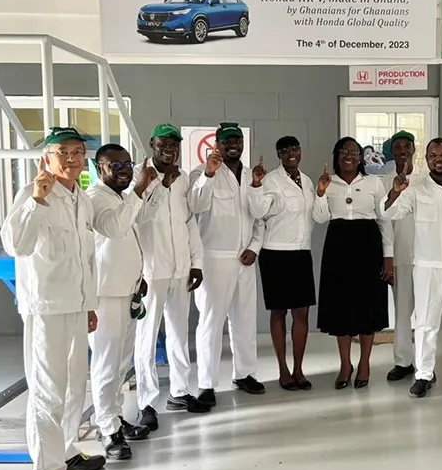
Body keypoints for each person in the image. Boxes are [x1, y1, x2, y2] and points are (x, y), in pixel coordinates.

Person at [0, 127, 105, 470]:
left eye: (78, 152)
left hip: (75, 306)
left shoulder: (81, 198)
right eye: (64, 152)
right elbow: (15, 245)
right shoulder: (34, 194)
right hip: (46, 308)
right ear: (47, 158)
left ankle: (66, 451)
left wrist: (89, 304)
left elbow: (86, 258)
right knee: (48, 391)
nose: (73, 158)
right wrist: (37, 202)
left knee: (76, 385)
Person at [382, 137, 442, 400]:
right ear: (426, 160)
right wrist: (395, 192)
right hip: (427, 267)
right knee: (425, 325)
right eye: (434, 155)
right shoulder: (415, 190)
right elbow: (389, 213)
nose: (440, 159)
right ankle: (423, 375)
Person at [133, 124, 208, 432]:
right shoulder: (141, 175)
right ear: (152, 143)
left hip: (179, 269)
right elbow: (136, 219)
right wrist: (158, 184)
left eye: (174, 144)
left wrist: (196, 262)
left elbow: (189, 221)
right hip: (150, 270)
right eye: (164, 143)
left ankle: (179, 391)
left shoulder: (183, 178)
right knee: (147, 337)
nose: (170, 148)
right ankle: (146, 402)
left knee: (179, 333)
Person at [188, 122, 265, 407]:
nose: (233, 144)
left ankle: (244, 374)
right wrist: (209, 173)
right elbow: (195, 207)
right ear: (217, 144)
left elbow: (260, 217)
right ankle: (207, 384)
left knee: (245, 320)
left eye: (238, 139)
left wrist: (255, 248)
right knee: (210, 322)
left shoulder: (251, 175)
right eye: (227, 140)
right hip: (214, 259)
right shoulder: (202, 172)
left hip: (245, 259)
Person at [86, 144, 153, 459]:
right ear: (100, 167)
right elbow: (113, 229)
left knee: (120, 364)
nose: (125, 170)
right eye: (117, 165)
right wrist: (139, 192)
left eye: (128, 164)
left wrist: (139, 279)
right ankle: (107, 430)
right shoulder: (95, 199)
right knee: (106, 364)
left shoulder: (120, 197)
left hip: (126, 291)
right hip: (105, 297)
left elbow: (129, 240)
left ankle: (114, 417)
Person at [313, 137, 394, 389]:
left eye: (354, 152)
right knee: (341, 307)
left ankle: (365, 363)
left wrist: (388, 256)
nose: (349, 155)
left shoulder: (373, 182)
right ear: (336, 155)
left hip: (368, 246)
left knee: (367, 306)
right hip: (338, 246)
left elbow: (384, 220)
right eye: (344, 151)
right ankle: (345, 364)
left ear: (361, 157)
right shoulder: (329, 182)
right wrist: (320, 193)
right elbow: (319, 218)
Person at [249, 136, 315, 391]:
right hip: (275, 253)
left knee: (302, 313)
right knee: (279, 312)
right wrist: (256, 185)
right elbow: (257, 212)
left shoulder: (307, 181)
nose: (291, 153)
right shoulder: (270, 180)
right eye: (285, 150)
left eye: (295, 148)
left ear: (300, 151)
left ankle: (299, 369)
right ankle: (283, 369)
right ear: (278, 154)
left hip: (301, 253)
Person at [381, 131, 427, 382]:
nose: (402, 150)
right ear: (391, 151)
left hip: (426, 255)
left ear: (413, 149)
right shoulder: (384, 180)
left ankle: (423, 363)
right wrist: (387, 256)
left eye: (407, 146)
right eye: (397, 146)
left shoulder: (425, 178)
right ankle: (403, 361)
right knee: (402, 312)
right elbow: (384, 221)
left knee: (424, 313)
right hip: (399, 254)